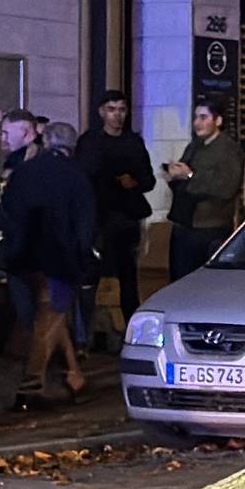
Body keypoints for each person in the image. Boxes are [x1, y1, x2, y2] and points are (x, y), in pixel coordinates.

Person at [1, 120, 97, 408]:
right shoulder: (77, 177)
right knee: (52, 315)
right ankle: (30, 385)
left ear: (46, 143)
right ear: (72, 147)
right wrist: (85, 260)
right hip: (58, 259)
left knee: (54, 316)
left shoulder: (24, 172)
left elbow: (6, 212)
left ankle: (74, 376)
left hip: (22, 257)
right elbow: (85, 225)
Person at [74, 92, 154, 346]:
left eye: (121, 109)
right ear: (102, 112)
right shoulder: (91, 141)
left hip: (126, 216)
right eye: (112, 109)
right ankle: (82, 336)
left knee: (128, 280)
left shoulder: (133, 142)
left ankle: (133, 335)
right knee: (90, 278)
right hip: (98, 217)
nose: (117, 115)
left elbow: (148, 179)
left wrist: (135, 182)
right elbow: (82, 176)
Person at [164, 97, 240, 279]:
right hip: (185, 223)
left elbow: (227, 187)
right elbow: (185, 178)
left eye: (204, 117)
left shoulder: (228, 149)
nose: (197, 123)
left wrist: (190, 176)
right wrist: (174, 175)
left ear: (218, 121)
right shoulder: (194, 146)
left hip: (208, 229)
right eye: (196, 117)